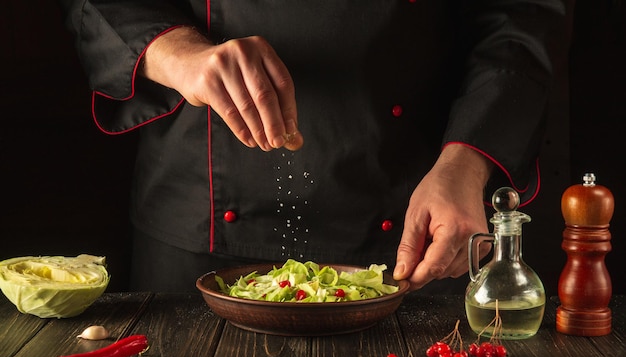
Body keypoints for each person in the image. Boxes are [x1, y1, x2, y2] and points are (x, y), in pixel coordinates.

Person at [58, 0, 569, 293]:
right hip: (202, 224)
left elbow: (521, 17)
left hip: (420, 219)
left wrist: (467, 162)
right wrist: (177, 53)